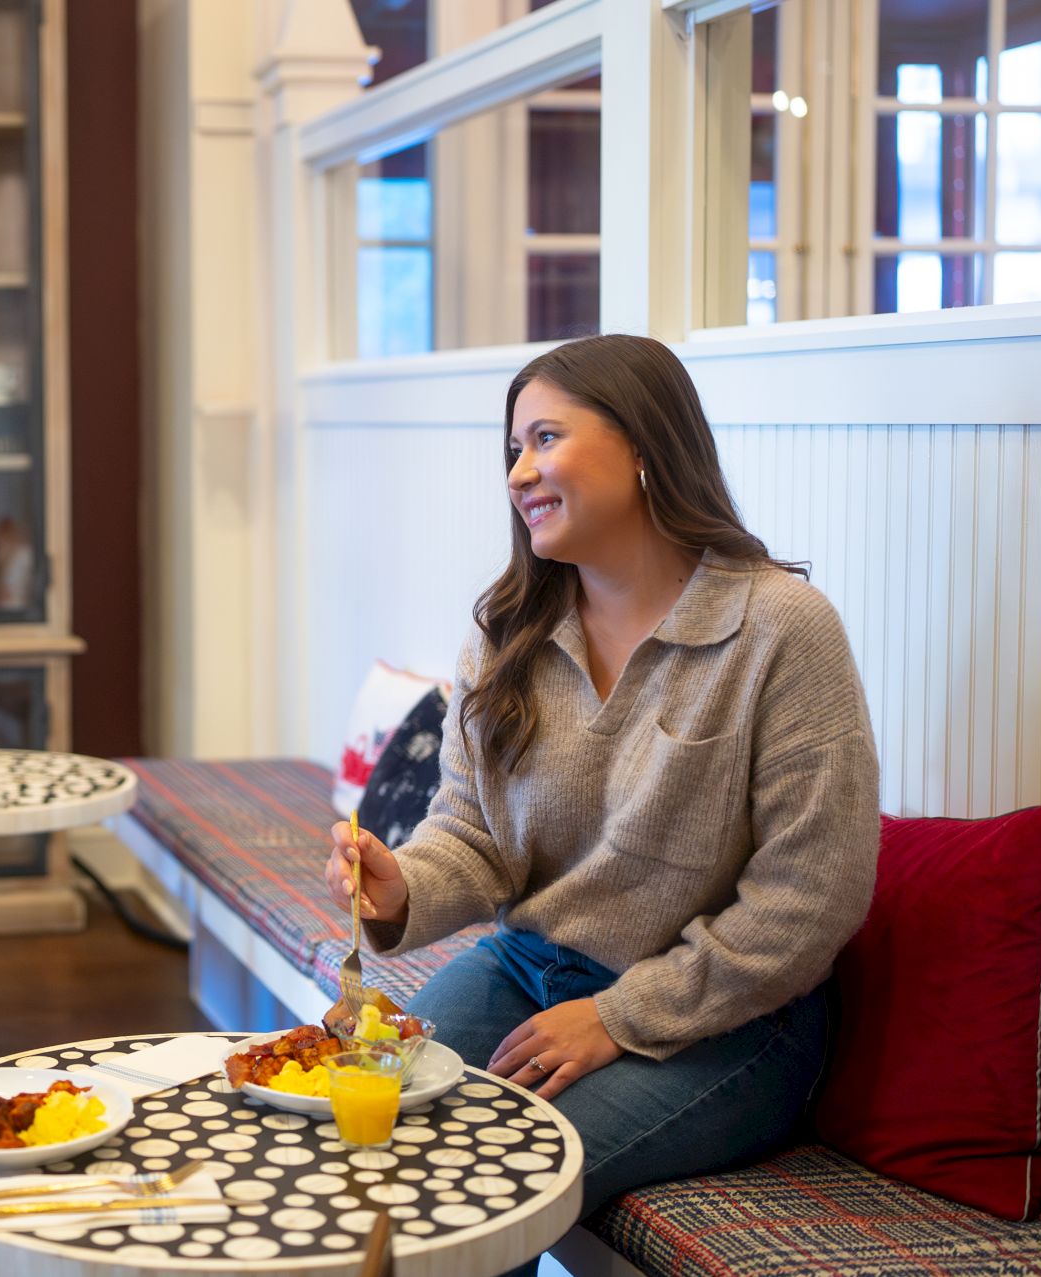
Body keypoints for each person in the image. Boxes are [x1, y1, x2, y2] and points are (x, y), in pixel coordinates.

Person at [322, 334, 879, 1264]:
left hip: (731, 1021)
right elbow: (472, 834)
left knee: (487, 1177)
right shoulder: (507, 631)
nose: (519, 472)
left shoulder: (781, 630)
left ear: (645, 445)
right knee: (361, 1131)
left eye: (545, 438)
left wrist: (622, 1016)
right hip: (529, 970)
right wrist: (400, 886)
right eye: (512, 450)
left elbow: (810, 899)